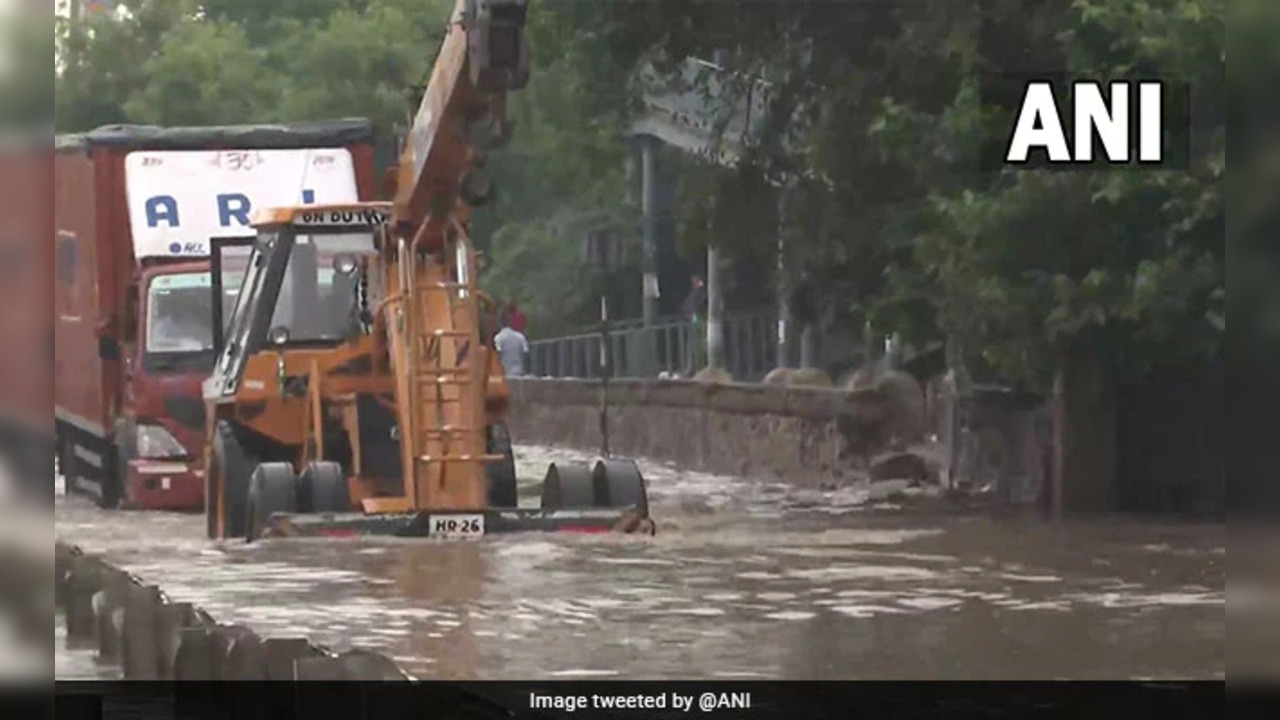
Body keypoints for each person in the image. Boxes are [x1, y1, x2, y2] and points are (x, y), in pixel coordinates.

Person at [681, 273, 707, 374]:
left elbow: (694, 304)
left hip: (698, 319)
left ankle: (697, 367)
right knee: (694, 345)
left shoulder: (700, 291)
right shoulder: (697, 291)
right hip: (694, 319)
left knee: (698, 344)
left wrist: (690, 312)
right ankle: (694, 367)